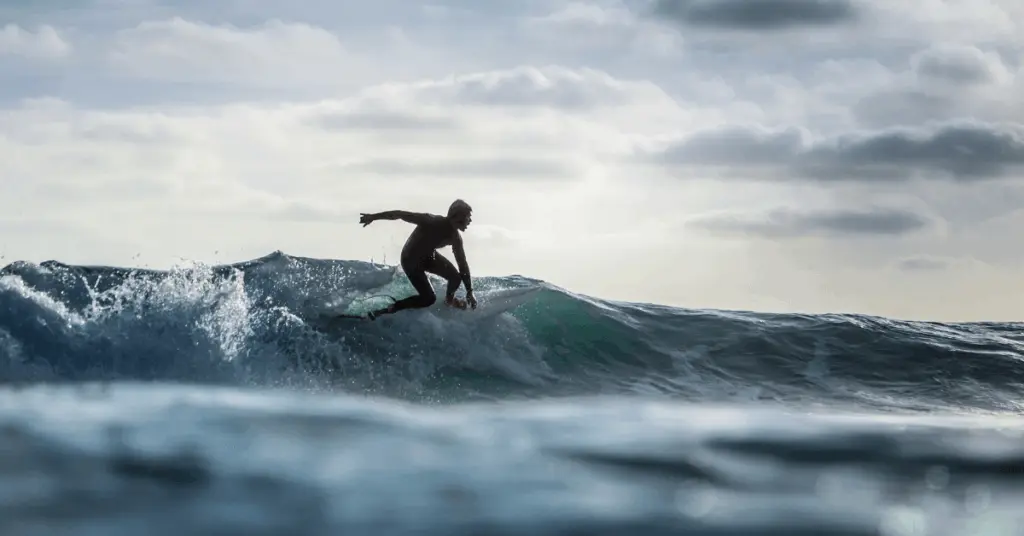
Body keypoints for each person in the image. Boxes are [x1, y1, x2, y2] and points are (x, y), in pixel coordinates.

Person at [358, 199, 477, 320]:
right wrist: (373, 217)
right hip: (410, 259)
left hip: (428, 257)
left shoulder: (455, 238)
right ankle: (388, 309)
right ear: (458, 217)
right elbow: (400, 214)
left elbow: (462, 264)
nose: (470, 221)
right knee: (429, 299)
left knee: (456, 278)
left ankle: (449, 301)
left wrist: (469, 291)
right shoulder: (431, 221)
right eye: (468, 217)